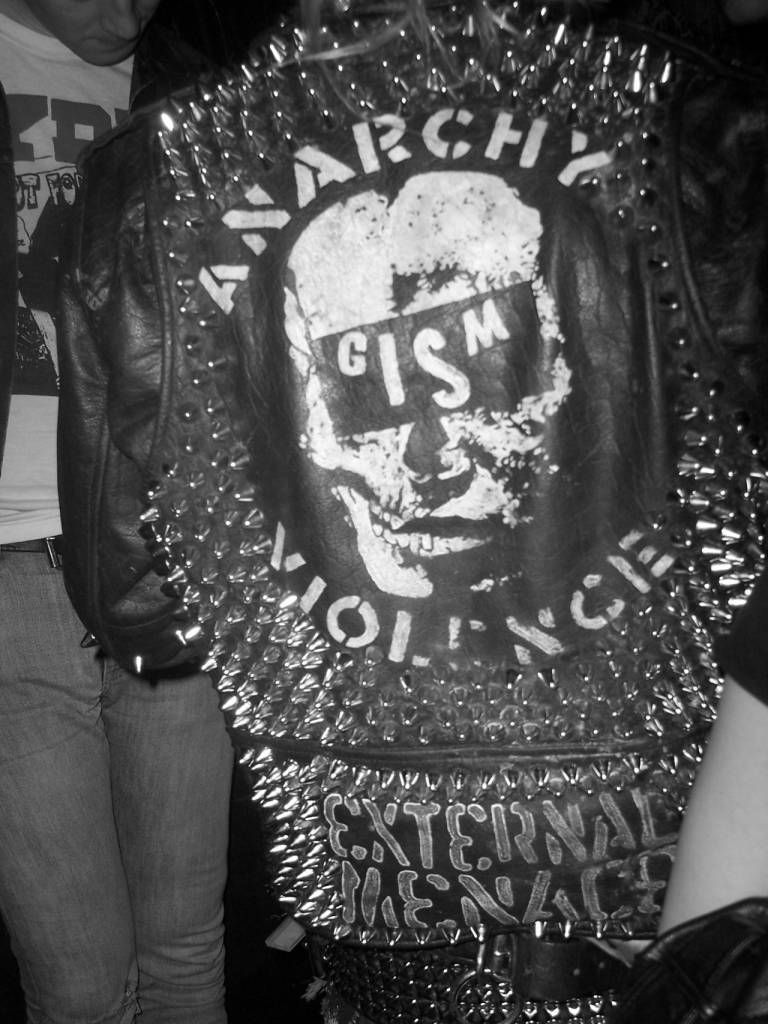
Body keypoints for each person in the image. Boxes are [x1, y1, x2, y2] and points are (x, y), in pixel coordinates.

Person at [56, 0, 768, 1022]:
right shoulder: (696, 118)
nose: (429, 463)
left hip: (388, 912)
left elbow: (138, 610)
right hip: (693, 899)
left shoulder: (159, 173)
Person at [0, 0, 271, 1021]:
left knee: (186, 951)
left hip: (173, 552)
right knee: (81, 984)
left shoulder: (196, 78)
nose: (132, 7)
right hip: (9, 570)